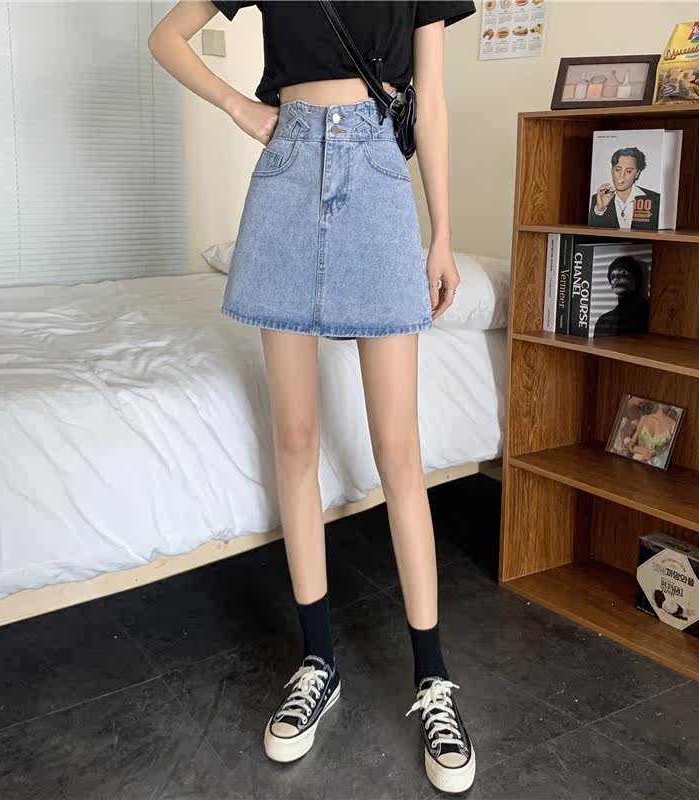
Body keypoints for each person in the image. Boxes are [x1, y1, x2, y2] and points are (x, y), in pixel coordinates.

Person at [148, 1, 477, 794]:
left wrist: (441, 232)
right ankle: (317, 662)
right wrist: (240, 107)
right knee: (294, 440)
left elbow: (430, 99)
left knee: (399, 450)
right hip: (287, 175)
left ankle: (433, 678)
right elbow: (166, 37)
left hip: (377, 176)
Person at [589, 147, 660, 230]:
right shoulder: (597, 199)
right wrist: (600, 210)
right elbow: (593, 233)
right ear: (612, 170)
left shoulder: (655, 199)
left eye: (628, 171)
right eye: (617, 169)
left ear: (637, 173)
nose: (622, 175)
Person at [593, 255, 650, 336]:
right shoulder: (603, 321)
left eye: (622, 273)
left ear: (634, 279)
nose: (616, 279)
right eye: (612, 276)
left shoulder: (648, 314)